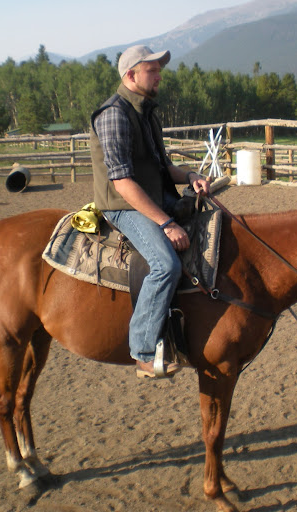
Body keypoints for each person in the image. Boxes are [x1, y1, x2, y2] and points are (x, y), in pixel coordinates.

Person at [90, 45, 210, 378]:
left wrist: (191, 177)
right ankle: (143, 351)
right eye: (152, 70)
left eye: (159, 70)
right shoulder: (115, 114)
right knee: (165, 265)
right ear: (130, 75)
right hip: (123, 206)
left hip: (153, 196)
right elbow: (123, 184)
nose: (159, 76)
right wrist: (167, 222)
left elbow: (161, 166)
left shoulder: (145, 111)